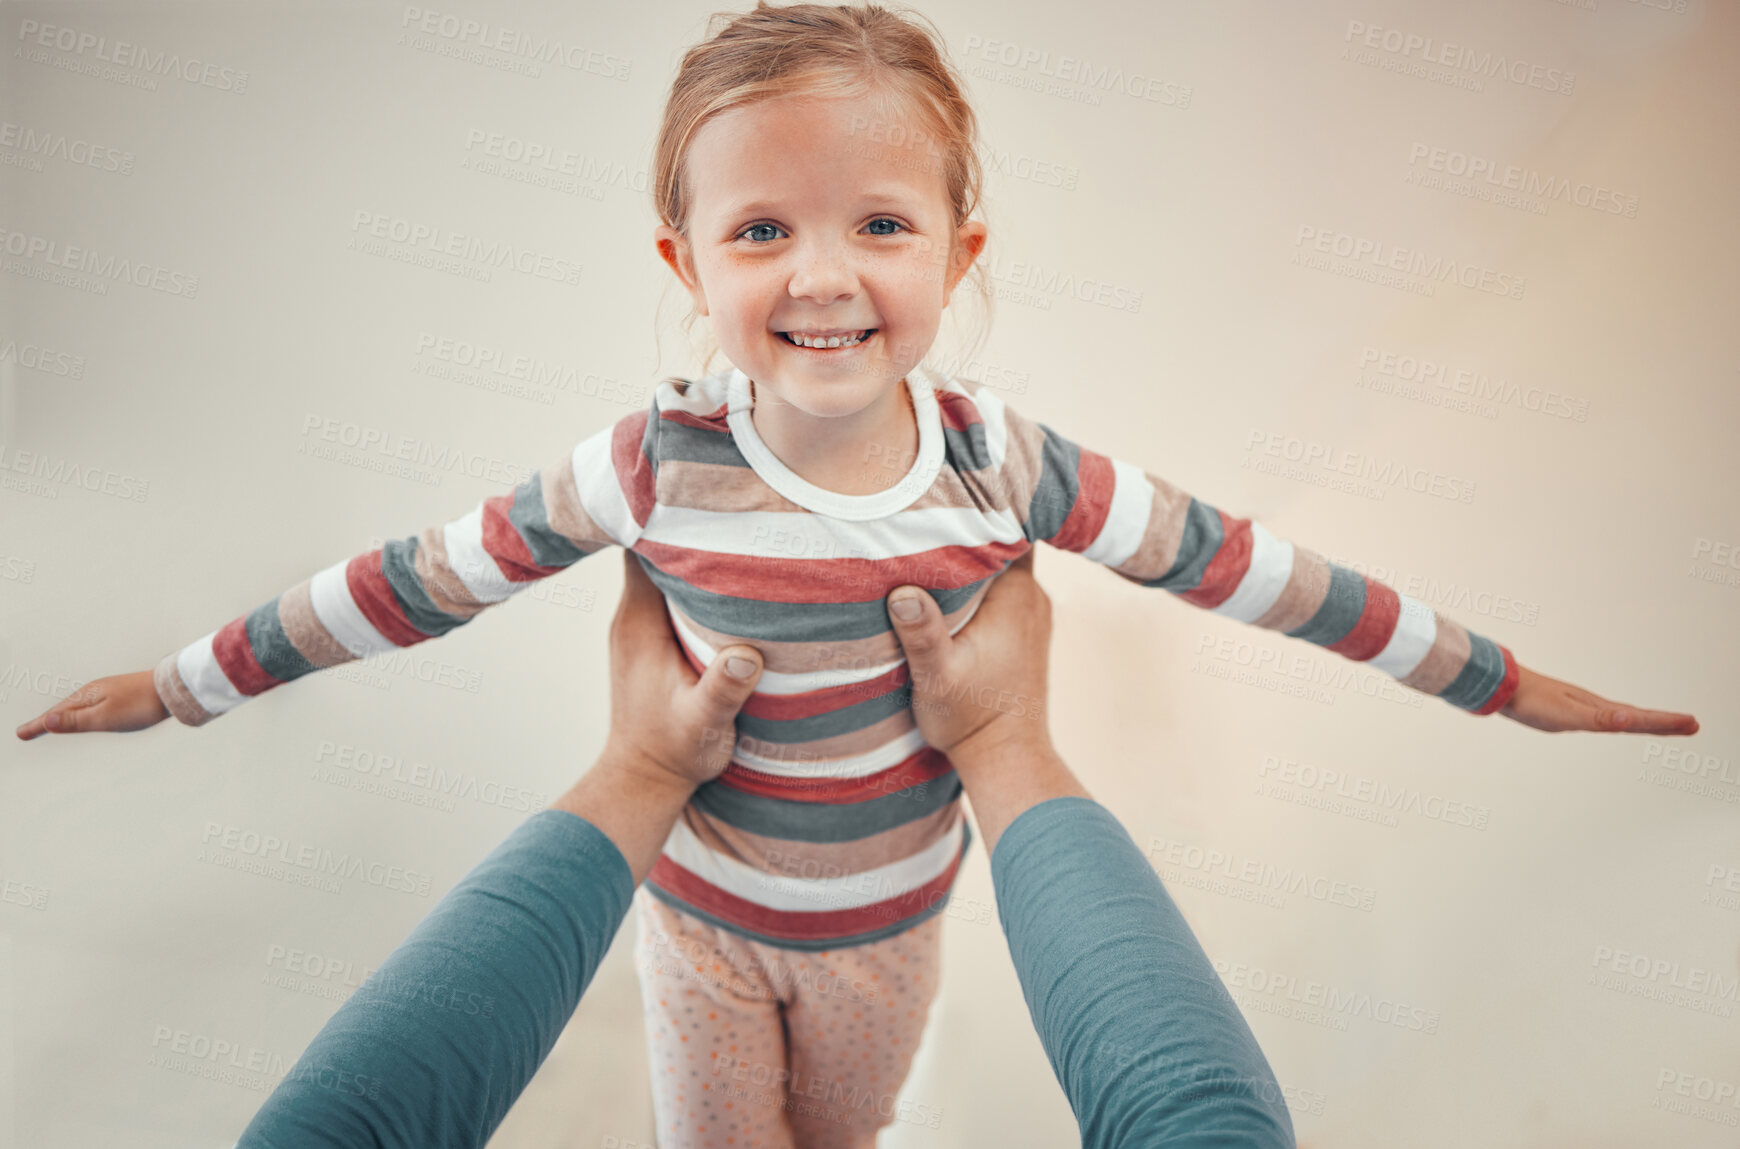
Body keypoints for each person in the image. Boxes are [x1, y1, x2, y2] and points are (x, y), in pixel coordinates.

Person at [15, 3, 1698, 1144]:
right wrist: (184, 680)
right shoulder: (648, 461)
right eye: (762, 231)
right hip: (700, 922)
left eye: (879, 225)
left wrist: (1506, 681)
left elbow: (1258, 571)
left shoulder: (1004, 462)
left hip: (894, 921)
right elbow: (413, 578)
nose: (823, 273)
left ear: (959, 254)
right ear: (686, 261)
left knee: (851, 1132)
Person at [229, 550, 1295, 1147]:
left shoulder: (974, 492)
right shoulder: (666, 477)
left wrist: (641, 771)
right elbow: (1196, 1117)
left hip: (885, 931)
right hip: (705, 923)